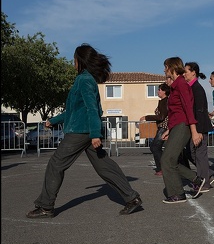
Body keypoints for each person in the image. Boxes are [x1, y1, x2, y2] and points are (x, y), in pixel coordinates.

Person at [26, 43, 142, 218]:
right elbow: (74, 110)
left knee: (55, 164)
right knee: (104, 166)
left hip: (80, 132)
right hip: (85, 131)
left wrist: (95, 134)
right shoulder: (85, 79)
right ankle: (132, 198)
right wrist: (53, 120)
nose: (73, 63)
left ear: (80, 61)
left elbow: (92, 109)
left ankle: (46, 206)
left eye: (74, 59)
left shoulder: (84, 80)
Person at [160, 57, 205, 203]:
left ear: (171, 67)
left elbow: (188, 108)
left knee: (167, 159)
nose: (164, 70)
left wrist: (194, 131)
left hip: (183, 126)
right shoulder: (175, 86)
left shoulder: (182, 85)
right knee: (169, 159)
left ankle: (178, 194)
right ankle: (196, 179)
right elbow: (175, 112)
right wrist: (169, 129)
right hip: (177, 126)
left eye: (165, 67)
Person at [181, 62, 214, 192]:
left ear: (193, 72)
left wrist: (199, 130)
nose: (184, 74)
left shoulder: (197, 88)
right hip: (196, 127)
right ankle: (207, 173)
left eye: (186, 71)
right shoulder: (191, 87)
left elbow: (200, 110)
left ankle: (204, 182)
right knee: (193, 152)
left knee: (200, 154)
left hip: (201, 127)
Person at [140, 82, 170, 176]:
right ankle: (163, 166)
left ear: (164, 91)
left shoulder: (165, 101)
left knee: (155, 147)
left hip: (164, 127)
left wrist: (146, 117)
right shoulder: (162, 101)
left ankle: (162, 168)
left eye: (159, 90)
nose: (158, 91)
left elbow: (161, 116)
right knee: (156, 147)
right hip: (161, 127)